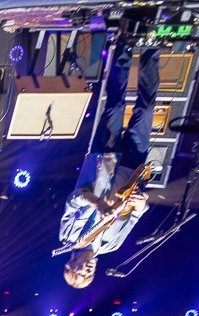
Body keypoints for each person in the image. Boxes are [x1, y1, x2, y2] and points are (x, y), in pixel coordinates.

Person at [58, 38, 158, 288]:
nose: (88, 271)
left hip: (103, 158)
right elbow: (134, 217)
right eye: (89, 276)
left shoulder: (68, 237)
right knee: (146, 110)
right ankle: (152, 47)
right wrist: (141, 204)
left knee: (115, 103)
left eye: (81, 273)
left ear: (71, 264)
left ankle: (125, 44)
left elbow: (74, 199)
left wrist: (97, 203)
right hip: (131, 168)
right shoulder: (112, 245)